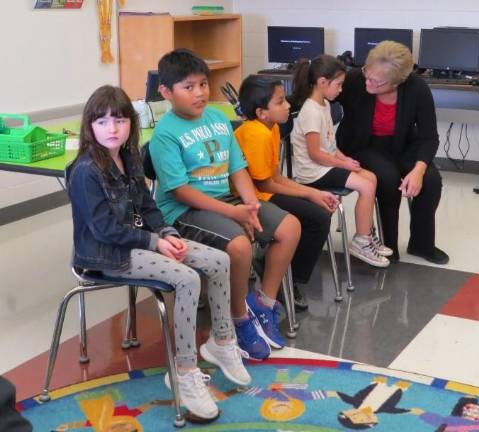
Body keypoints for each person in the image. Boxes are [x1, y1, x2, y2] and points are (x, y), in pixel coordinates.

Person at [66, 85, 250, 421]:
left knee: (219, 259)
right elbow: (105, 230)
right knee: (186, 277)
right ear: (89, 126)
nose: (112, 129)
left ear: (130, 126)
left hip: (138, 241)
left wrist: (166, 232)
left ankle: (222, 341)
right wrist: (155, 243)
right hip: (105, 255)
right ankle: (184, 369)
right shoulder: (85, 171)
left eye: (120, 121)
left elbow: (149, 207)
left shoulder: (130, 157)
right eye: (103, 122)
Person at [149, 49, 301, 360]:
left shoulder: (218, 118)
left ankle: (264, 304)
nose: (199, 93)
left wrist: (250, 206)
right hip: (184, 211)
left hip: (225, 200)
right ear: (166, 92)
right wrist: (235, 213)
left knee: (290, 227)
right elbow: (179, 192)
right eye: (188, 87)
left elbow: (237, 169)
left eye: (203, 84)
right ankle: (238, 319)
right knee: (240, 245)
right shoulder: (164, 134)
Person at [335, 41, 449, 264]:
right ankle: (388, 246)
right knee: (387, 179)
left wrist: (418, 169)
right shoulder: (355, 80)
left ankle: (421, 244)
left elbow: (429, 137)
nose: (367, 81)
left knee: (431, 180)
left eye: (376, 81)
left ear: (398, 81)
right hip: (362, 145)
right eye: (367, 73)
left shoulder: (417, 88)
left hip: (402, 144)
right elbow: (321, 94)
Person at [234, 75, 339, 311]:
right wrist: (309, 194)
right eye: (280, 102)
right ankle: (286, 277)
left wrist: (310, 192)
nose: (288, 106)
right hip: (252, 197)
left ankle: (282, 268)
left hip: (265, 190)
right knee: (318, 217)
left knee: (320, 210)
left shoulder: (271, 128)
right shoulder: (256, 133)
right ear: (262, 112)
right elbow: (265, 185)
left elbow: (276, 177)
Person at [290, 54, 392, 268]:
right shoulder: (310, 111)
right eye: (338, 85)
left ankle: (366, 234)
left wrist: (345, 159)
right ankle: (361, 242)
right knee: (364, 185)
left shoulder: (325, 105)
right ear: (322, 83)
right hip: (312, 173)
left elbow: (330, 145)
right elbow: (314, 154)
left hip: (324, 165)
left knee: (371, 177)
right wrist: (343, 165)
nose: (341, 90)